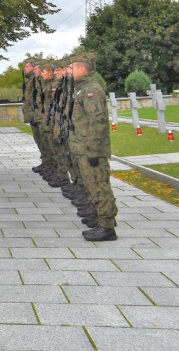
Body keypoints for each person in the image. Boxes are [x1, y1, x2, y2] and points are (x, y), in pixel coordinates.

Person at [67, 53, 118, 241]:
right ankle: (100, 219)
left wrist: (93, 150)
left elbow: (98, 121)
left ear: (81, 69)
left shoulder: (91, 90)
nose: (69, 73)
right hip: (83, 147)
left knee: (99, 187)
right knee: (91, 186)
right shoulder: (81, 88)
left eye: (72, 69)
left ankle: (107, 227)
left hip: (91, 149)